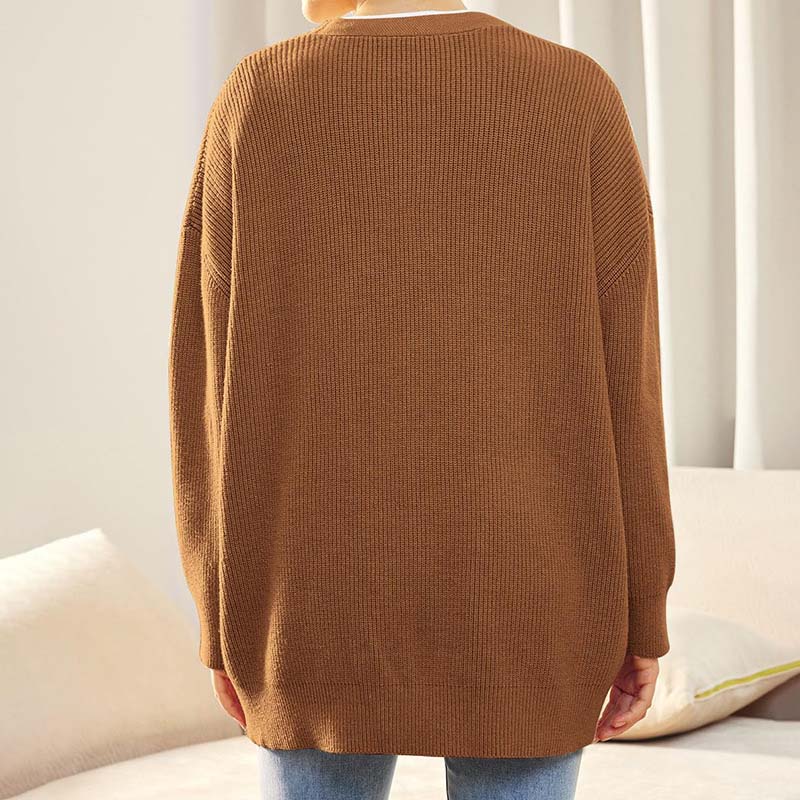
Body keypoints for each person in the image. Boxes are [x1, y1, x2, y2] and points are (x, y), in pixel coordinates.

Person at [167, 1, 676, 798]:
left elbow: (208, 388)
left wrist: (218, 618)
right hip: (528, 606)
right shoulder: (575, 93)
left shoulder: (259, 96)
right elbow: (630, 389)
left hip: (308, 609)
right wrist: (643, 613)